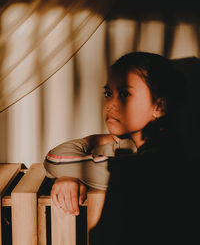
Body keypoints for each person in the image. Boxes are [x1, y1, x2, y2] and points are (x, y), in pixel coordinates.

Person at [43, 51, 185, 218]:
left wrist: (96, 140)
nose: (111, 104)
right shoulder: (129, 146)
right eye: (108, 93)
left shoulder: (156, 162)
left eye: (125, 94)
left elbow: (55, 159)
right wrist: (69, 177)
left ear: (159, 106)